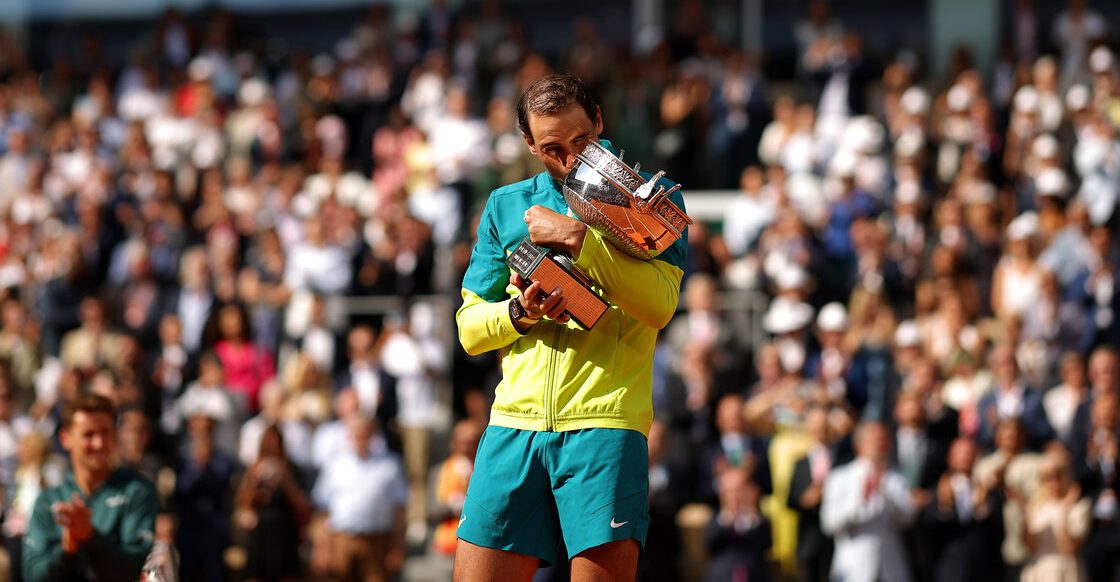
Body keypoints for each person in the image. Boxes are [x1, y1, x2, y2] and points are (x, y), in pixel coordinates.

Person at [453, 73, 688, 581]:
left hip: (606, 425)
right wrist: (522, 312)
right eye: (552, 147)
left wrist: (580, 239)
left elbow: (660, 306)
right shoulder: (505, 205)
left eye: (582, 140)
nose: (570, 158)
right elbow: (471, 330)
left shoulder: (656, 198)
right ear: (528, 144)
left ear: (600, 119)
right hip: (513, 424)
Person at [22, 392, 158, 582]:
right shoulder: (47, 501)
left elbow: (134, 569)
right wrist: (66, 550)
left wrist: (89, 536)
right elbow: (32, 576)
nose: (99, 443)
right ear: (65, 438)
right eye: (88, 434)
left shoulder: (138, 491)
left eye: (106, 433)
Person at [820, 421, 916, 582]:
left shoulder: (897, 478)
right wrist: (858, 503)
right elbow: (828, 524)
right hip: (853, 568)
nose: (881, 445)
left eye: (884, 440)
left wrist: (885, 493)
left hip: (891, 567)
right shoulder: (839, 477)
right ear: (860, 445)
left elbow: (907, 520)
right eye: (875, 440)